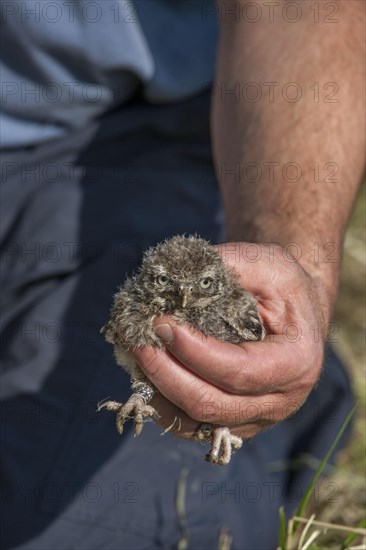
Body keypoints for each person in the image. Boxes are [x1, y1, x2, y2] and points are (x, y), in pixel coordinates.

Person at [1, 1, 364, 548]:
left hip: (120, 139)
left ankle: (272, 406)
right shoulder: (140, 310)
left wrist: (300, 268)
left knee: (96, 525)